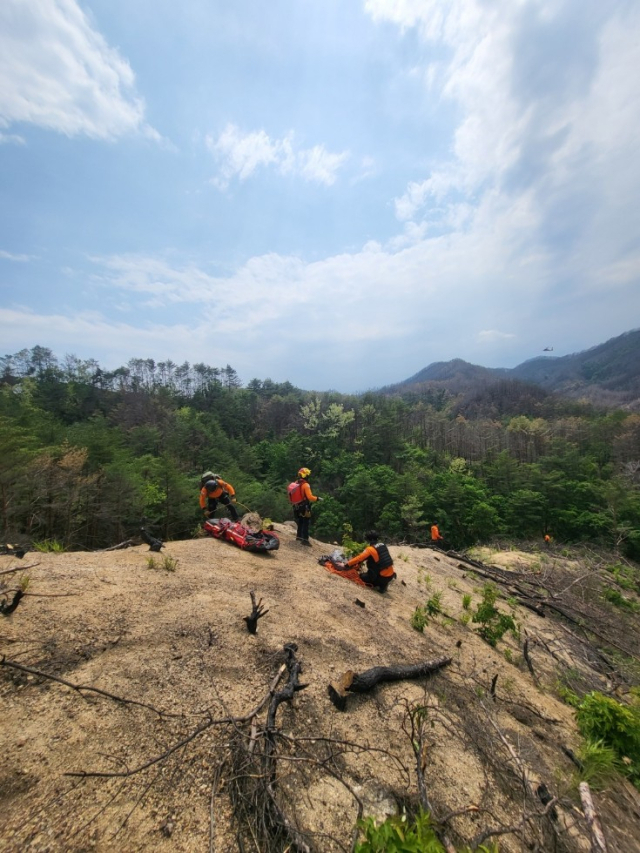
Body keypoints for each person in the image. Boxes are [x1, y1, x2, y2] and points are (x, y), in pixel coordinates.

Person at [287, 467, 321, 546]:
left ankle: (299, 537)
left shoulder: (296, 483)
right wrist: (317, 498)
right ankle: (305, 540)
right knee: (306, 522)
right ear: (306, 476)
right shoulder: (306, 485)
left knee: (300, 522)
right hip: (305, 507)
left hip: (297, 506)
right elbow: (310, 497)